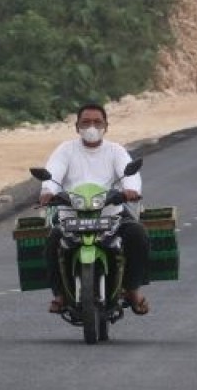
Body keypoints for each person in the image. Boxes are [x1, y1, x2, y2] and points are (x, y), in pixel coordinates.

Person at [40, 102, 150, 315]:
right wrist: (48, 190)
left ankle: (132, 290)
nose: (91, 127)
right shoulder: (65, 150)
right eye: (86, 122)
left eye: (97, 122)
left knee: (138, 234)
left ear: (106, 126)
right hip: (71, 215)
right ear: (77, 126)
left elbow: (130, 175)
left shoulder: (115, 150)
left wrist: (130, 190)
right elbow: (52, 173)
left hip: (111, 214)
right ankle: (60, 294)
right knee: (53, 240)